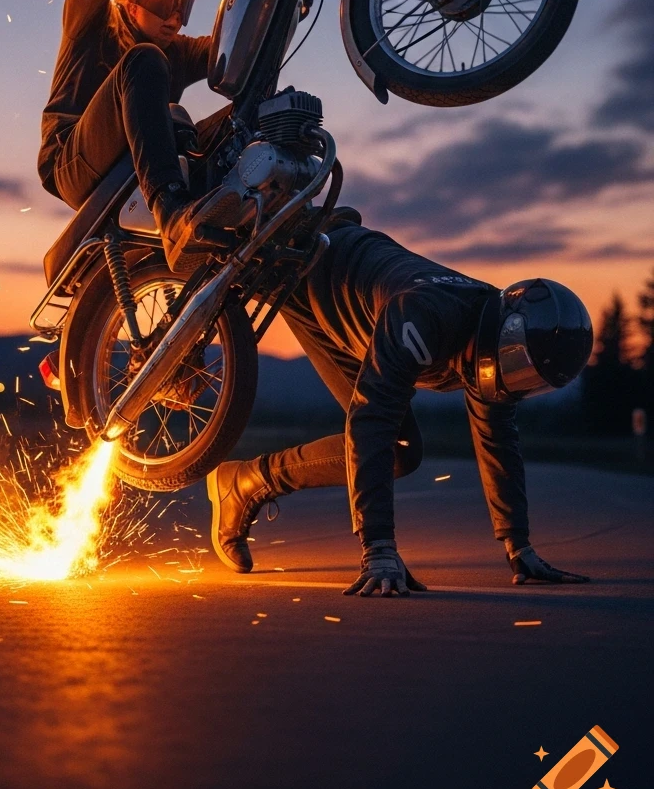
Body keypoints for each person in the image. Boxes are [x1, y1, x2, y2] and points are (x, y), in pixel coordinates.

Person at [206, 217, 594, 595]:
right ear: (508, 332)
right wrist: (378, 549)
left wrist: (518, 545)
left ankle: (244, 482)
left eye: (531, 383)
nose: (517, 381)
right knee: (394, 449)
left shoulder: (496, 344)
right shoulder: (426, 317)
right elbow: (372, 417)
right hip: (315, 277)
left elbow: (498, 442)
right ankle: (245, 482)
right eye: (519, 367)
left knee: (399, 452)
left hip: (365, 303)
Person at [38, 0, 239, 270]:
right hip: (74, 163)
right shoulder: (94, 27)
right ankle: (171, 212)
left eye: (183, 8)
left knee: (251, 118)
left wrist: (284, 0)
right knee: (146, 61)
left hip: (136, 164)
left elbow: (236, 44)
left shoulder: (176, 50)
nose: (174, 19)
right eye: (165, 4)